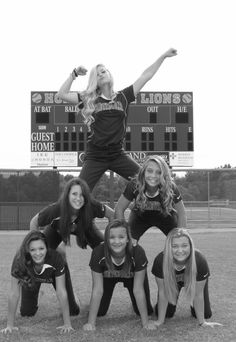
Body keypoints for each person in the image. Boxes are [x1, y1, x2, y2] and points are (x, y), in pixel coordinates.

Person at [56, 48, 177, 191]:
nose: (101, 74)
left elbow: (146, 75)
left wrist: (163, 56)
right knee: (78, 192)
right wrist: (74, 74)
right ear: (95, 80)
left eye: (103, 71)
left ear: (109, 74)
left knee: (148, 182)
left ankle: (167, 210)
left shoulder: (124, 96)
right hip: (95, 156)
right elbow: (61, 94)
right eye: (97, 74)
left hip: (118, 154)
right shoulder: (89, 98)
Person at [30, 177, 114, 316]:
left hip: (85, 228)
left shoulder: (91, 206)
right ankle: (37, 288)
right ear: (67, 195)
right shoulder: (56, 209)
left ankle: (101, 298)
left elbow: (112, 214)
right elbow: (34, 222)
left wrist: (110, 238)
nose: (78, 198)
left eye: (82, 195)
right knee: (41, 255)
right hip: (57, 231)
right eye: (74, 194)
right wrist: (35, 244)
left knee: (105, 251)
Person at [83, 219, 156, 331]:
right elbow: (97, 289)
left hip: (132, 277)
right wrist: (90, 323)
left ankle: (147, 300)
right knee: (100, 312)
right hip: (108, 277)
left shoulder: (137, 252)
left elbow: (138, 289)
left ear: (128, 239)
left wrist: (145, 323)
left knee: (144, 310)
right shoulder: (98, 252)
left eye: (121, 237)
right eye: (112, 237)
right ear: (106, 239)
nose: (117, 241)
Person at [0, 231, 74, 334]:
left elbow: (61, 291)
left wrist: (67, 324)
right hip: (33, 276)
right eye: (33, 250)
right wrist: (10, 325)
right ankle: (37, 291)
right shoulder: (20, 260)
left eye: (41, 248)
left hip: (54, 275)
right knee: (27, 312)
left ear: (47, 248)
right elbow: (14, 293)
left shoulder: (56, 257)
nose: (38, 253)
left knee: (73, 310)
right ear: (27, 250)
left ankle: (74, 298)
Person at [151, 228, 222, 328]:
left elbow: (198, 294)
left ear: (190, 246)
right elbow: (163, 292)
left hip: (193, 283)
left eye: (184, 245)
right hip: (172, 284)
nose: (180, 251)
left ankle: (197, 311)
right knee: (166, 313)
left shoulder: (199, 260)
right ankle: (161, 310)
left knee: (206, 314)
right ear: (168, 248)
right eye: (174, 246)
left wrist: (202, 322)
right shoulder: (160, 260)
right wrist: (160, 321)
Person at [115, 155, 187, 242]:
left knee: (177, 242)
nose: (153, 176)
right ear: (143, 172)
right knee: (128, 243)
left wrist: (180, 236)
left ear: (164, 174)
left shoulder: (170, 186)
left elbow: (182, 213)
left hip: (165, 216)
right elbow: (119, 208)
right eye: (149, 171)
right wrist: (123, 233)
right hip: (140, 216)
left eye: (159, 172)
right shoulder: (134, 185)